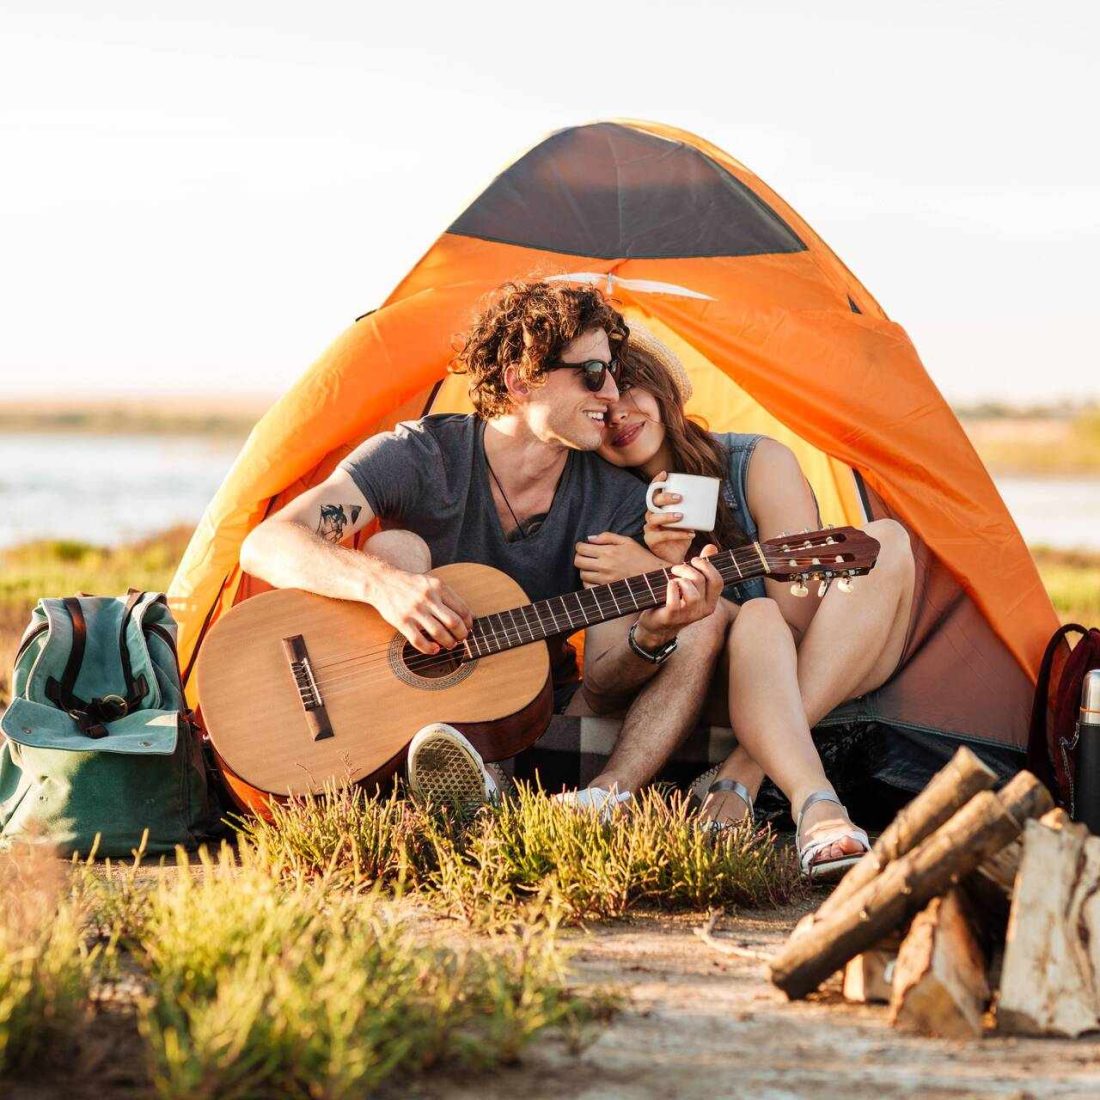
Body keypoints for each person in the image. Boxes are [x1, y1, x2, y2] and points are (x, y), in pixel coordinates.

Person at [239, 281, 725, 814]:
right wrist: (383, 585)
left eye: (611, 373)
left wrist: (653, 635)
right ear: (521, 381)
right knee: (397, 548)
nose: (610, 394)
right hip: (385, 711)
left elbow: (606, 688)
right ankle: (425, 764)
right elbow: (266, 543)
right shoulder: (420, 455)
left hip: (524, 708)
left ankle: (602, 802)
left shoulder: (615, 499)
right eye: (591, 374)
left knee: (703, 621)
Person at [572, 323, 916, 879]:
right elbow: (604, 679)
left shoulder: (754, 462)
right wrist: (659, 572)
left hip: (802, 666)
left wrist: (660, 573)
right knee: (754, 616)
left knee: (890, 541)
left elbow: (797, 625)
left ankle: (743, 772)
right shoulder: (606, 509)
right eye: (600, 407)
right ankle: (817, 805)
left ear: (663, 391)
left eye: (630, 387)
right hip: (703, 688)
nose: (620, 415)